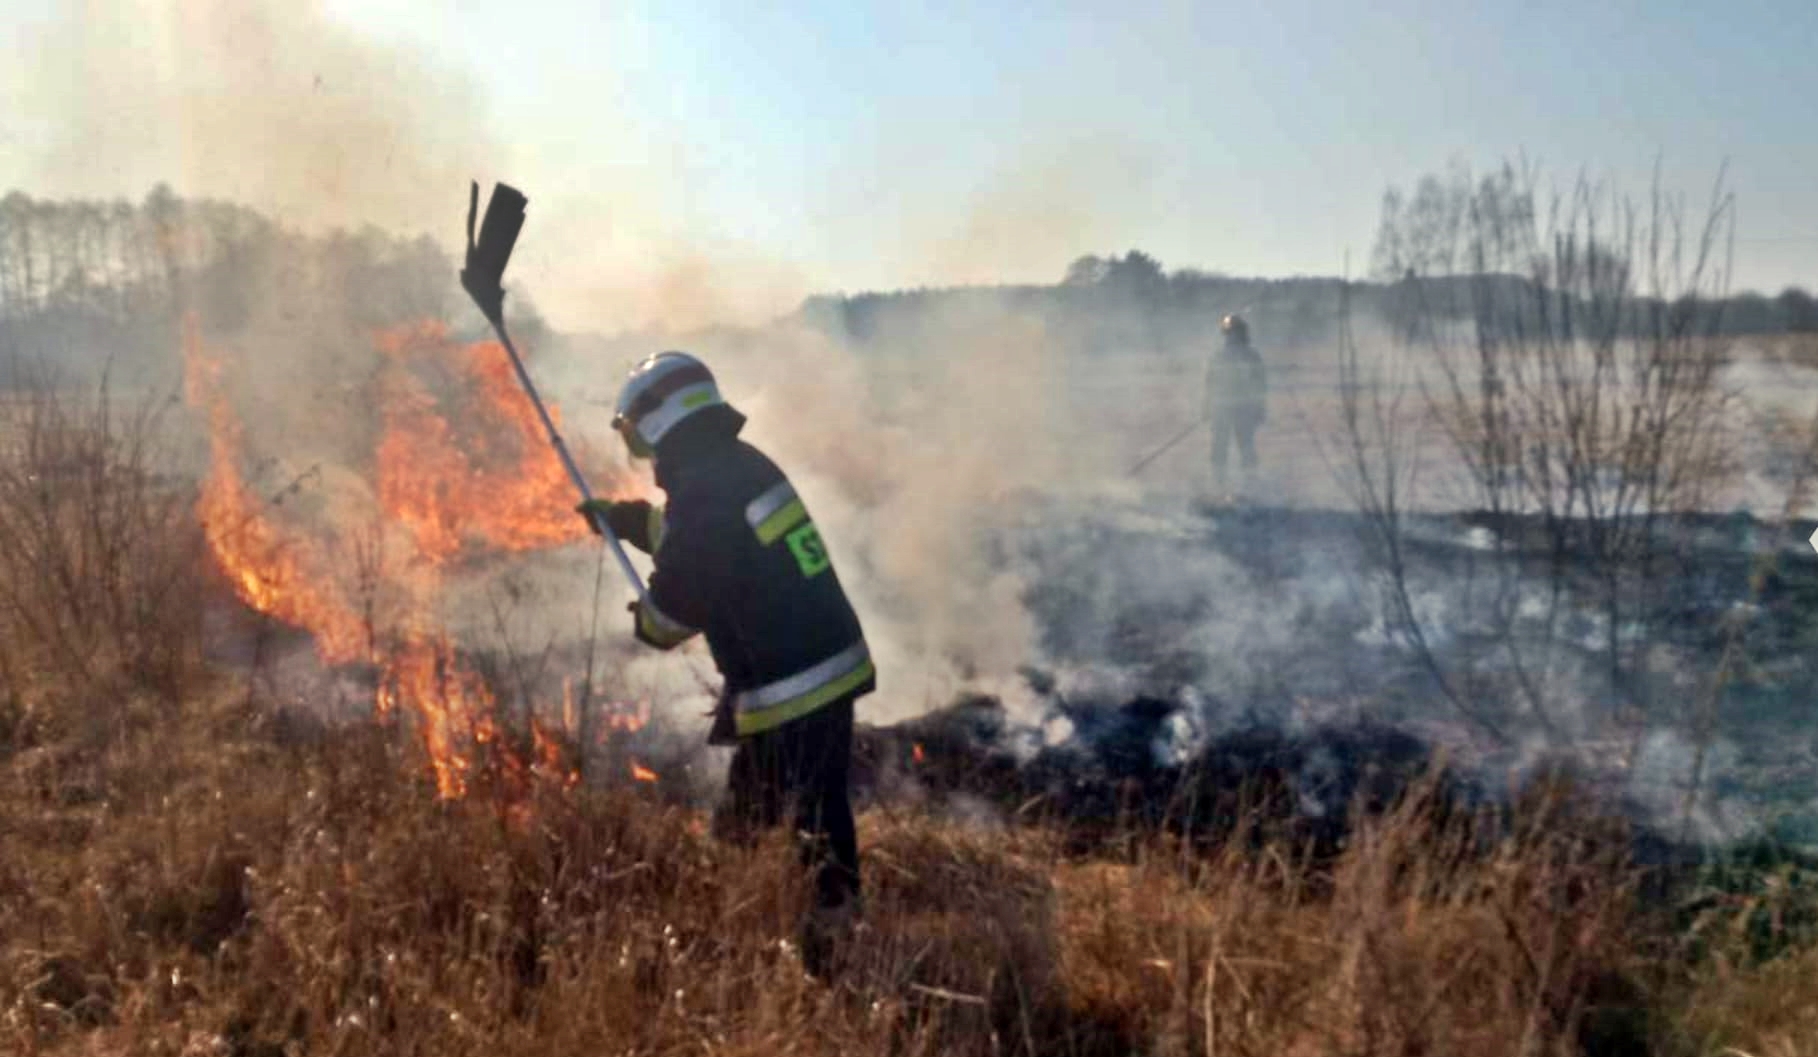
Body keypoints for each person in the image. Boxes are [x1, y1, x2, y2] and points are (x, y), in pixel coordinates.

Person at [577, 350, 874, 978]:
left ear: (658, 421)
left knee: (785, 826)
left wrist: (651, 615)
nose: (638, 449)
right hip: (819, 667)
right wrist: (629, 522)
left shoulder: (705, 489)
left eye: (635, 431)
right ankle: (802, 932)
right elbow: (702, 542)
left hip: (792, 683)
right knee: (798, 813)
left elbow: (673, 614)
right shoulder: (733, 466)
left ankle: (822, 949)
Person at [1207, 313, 1267, 497]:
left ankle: (1249, 483)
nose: (1231, 337)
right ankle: (1219, 483)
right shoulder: (1220, 356)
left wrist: (1259, 407)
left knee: (1245, 447)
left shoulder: (1249, 356)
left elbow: (1260, 384)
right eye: (1229, 334)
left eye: (1233, 333)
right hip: (1225, 408)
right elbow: (1210, 383)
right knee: (1221, 447)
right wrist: (1207, 406)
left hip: (1240, 408)